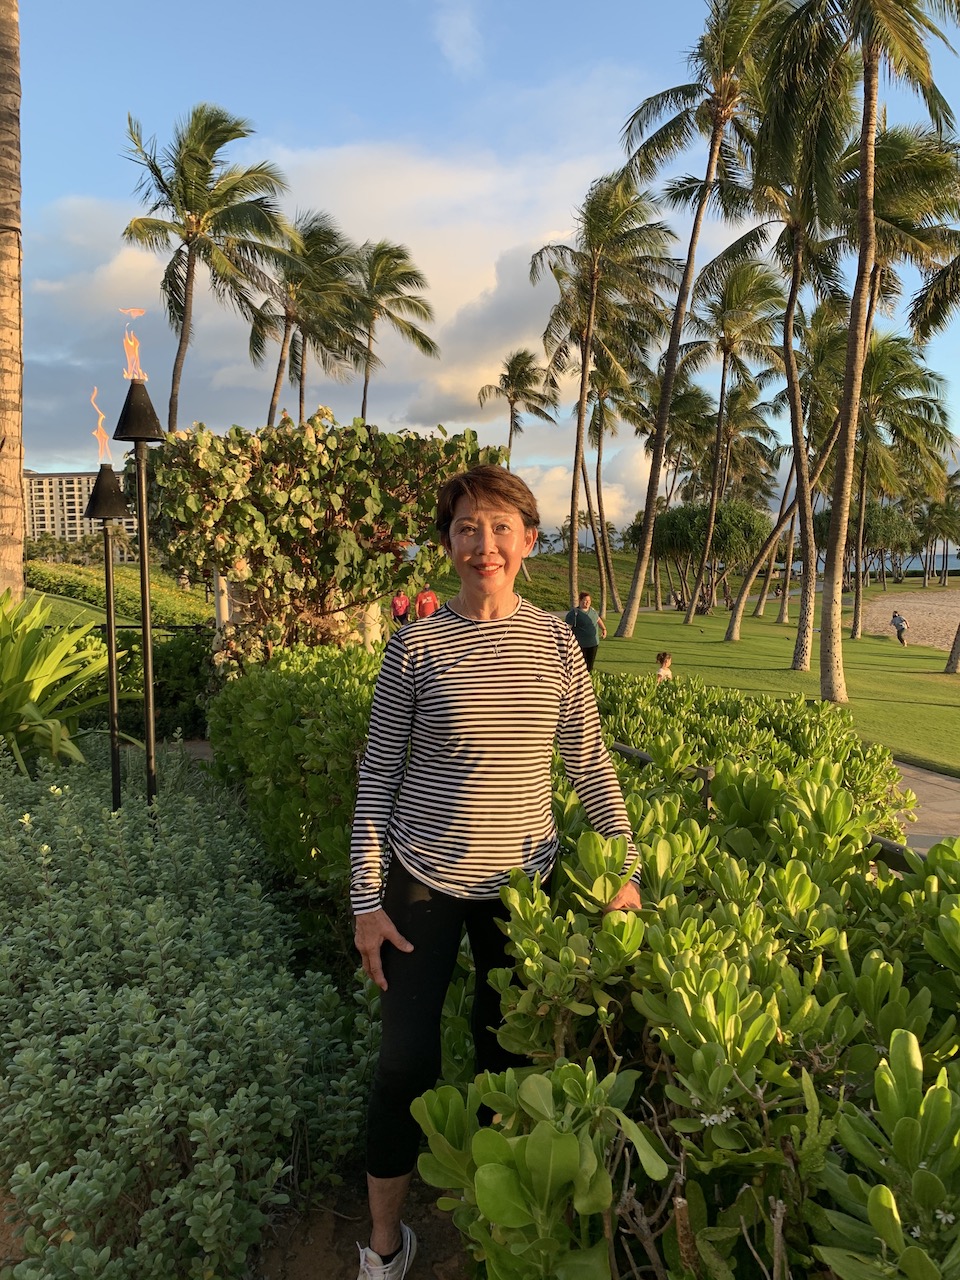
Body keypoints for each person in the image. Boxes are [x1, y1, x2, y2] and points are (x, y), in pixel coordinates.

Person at [351, 465, 641, 1279]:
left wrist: (626, 866)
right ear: (447, 544)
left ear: (529, 540)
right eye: (467, 529)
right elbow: (377, 775)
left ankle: (498, 1230)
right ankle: (382, 1248)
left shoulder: (556, 642)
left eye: (500, 528)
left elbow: (589, 763)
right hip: (422, 883)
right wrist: (365, 902)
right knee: (404, 1064)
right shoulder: (417, 643)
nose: (485, 545)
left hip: (524, 889)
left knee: (504, 1060)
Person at [564, 590, 607, 672]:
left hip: (593, 644)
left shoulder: (593, 611)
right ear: (580, 601)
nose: (587, 603)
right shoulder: (573, 614)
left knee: (590, 667)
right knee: (580, 667)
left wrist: (604, 629)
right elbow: (567, 628)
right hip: (580, 645)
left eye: (589, 601)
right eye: (585, 601)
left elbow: (598, 620)